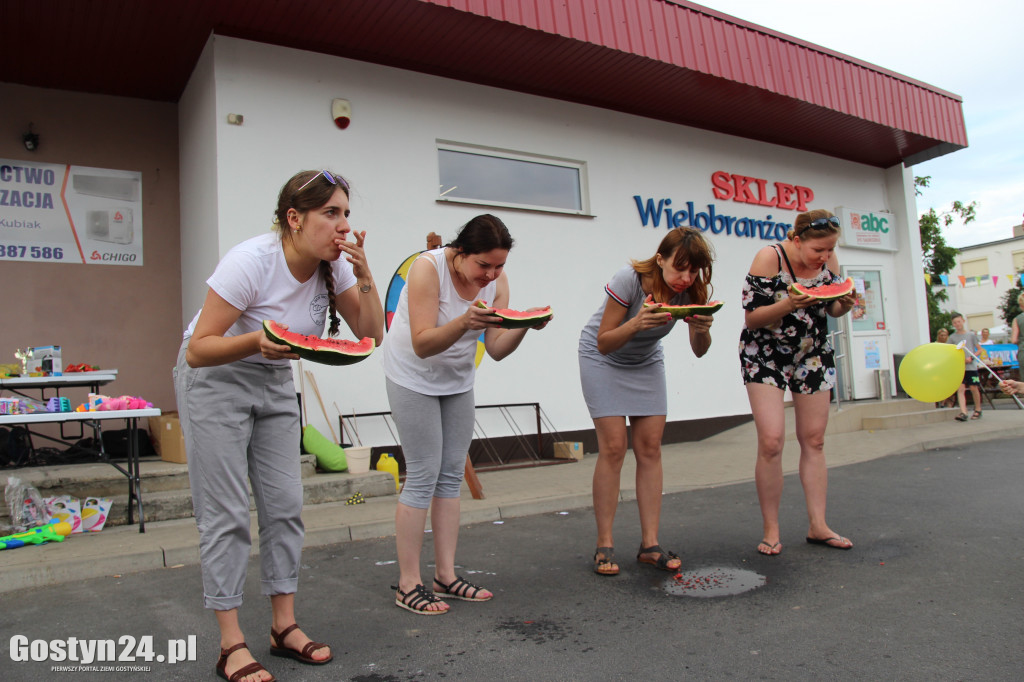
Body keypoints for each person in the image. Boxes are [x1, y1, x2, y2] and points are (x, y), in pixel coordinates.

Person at [174, 170, 384, 681]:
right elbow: (200, 348)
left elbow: (372, 332)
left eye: (346, 214)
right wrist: (256, 341)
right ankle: (230, 643)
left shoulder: (332, 270)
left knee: (286, 506)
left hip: (272, 377)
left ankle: (283, 627)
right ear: (295, 218)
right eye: (330, 213)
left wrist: (364, 274)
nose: (343, 226)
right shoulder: (251, 261)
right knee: (224, 513)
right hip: (217, 376)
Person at [381, 214, 549, 614]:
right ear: (459, 253)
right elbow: (422, 344)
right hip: (411, 375)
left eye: (499, 266)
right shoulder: (427, 269)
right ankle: (408, 584)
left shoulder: (496, 284)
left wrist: (525, 326)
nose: (491, 275)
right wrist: (463, 321)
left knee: (452, 472)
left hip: (457, 380)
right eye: (483, 265)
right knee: (423, 473)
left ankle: (445, 575)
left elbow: (495, 347)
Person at [578, 227, 714, 576]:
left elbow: (700, 352)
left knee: (650, 447)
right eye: (678, 268)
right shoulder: (630, 280)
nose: (686, 278)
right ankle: (604, 544)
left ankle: (649, 545)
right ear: (660, 259)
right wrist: (638, 322)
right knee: (613, 447)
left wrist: (702, 330)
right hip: (603, 359)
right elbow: (604, 341)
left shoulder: (690, 289)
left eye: (693, 270)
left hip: (646, 361)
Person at [739, 209, 856, 556]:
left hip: (812, 353)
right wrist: (790, 301)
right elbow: (752, 317)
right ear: (796, 239)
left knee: (815, 440)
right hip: (765, 354)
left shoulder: (829, 259)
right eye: (818, 249)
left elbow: (830, 309)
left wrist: (843, 305)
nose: (825, 257)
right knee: (772, 441)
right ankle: (771, 530)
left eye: (830, 249)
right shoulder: (769, 257)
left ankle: (818, 525)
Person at [947, 313, 982, 421]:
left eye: (959, 321)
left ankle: (978, 409)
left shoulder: (971, 335)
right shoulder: (952, 338)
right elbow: (951, 352)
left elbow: (979, 349)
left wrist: (971, 358)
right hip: (960, 368)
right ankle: (963, 411)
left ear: (963, 321)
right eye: (954, 323)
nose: (957, 324)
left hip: (971, 367)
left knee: (973, 387)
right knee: (960, 388)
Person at [934, 328, 955, 408]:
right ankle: (941, 402)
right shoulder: (935, 345)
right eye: (941, 335)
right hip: (939, 368)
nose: (943, 337)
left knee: (950, 386)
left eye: (945, 335)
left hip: (949, 368)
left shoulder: (950, 344)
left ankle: (947, 403)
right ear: (938, 336)